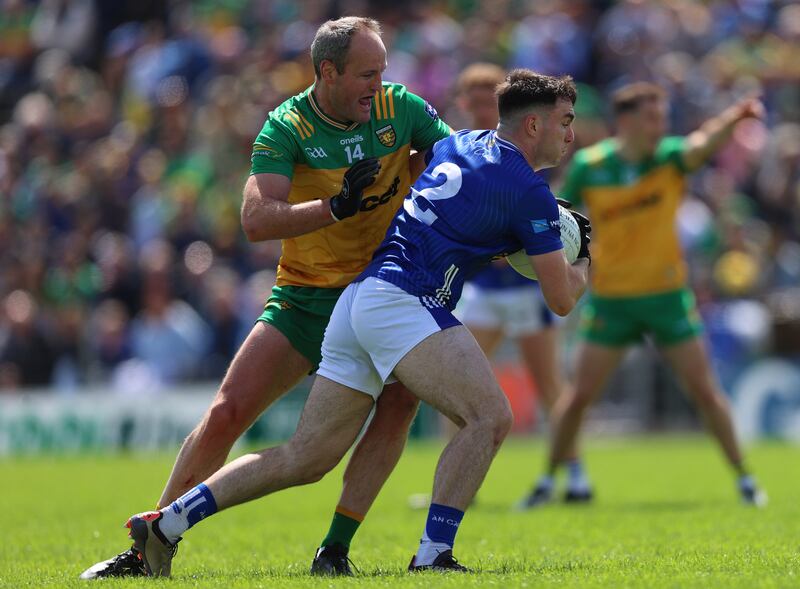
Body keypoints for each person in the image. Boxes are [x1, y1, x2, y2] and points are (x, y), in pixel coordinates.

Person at [120, 69, 591, 576]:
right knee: (489, 417)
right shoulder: (528, 191)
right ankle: (434, 555)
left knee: (307, 456)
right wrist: (585, 254)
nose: (571, 134)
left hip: (361, 299)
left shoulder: (464, 144)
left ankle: (167, 523)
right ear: (535, 125)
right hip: (404, 301)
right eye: (565, 121)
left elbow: (472, 211)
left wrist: (518, 237)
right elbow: (562, 299)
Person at [80, 16, 452, 579]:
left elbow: (460, 164)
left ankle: (334, 550)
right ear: (328, 72)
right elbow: (256, 220)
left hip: (384, 290)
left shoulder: (402, 108)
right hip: (306, 296)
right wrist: (334, 207)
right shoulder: (286, 127)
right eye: (366, 73)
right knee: (228, 412)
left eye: (382, 72)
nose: (378, 85)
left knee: (399, 406)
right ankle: (149, 549)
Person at [520, 82, 767, 508]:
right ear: (628, 121)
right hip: (612, 300)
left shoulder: (670, 158)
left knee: (705, 391)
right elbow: (554, 213)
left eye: (663, 117)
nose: (661, 126)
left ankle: (745, 480)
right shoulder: (591, 166)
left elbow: (703, 142)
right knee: (578, 397)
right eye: (653, 117)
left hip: (667, 295)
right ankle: (546, 481)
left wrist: (736, 117)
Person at [451, 63, 590, 506]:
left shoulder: (523, 151)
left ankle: (576, 473)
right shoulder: (463, 147)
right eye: (469, 98)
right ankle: (458, 485)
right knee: (456, 386)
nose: (475, 105)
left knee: (550, 385)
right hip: (484, 290)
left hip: (528, 286)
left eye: (483, 98)